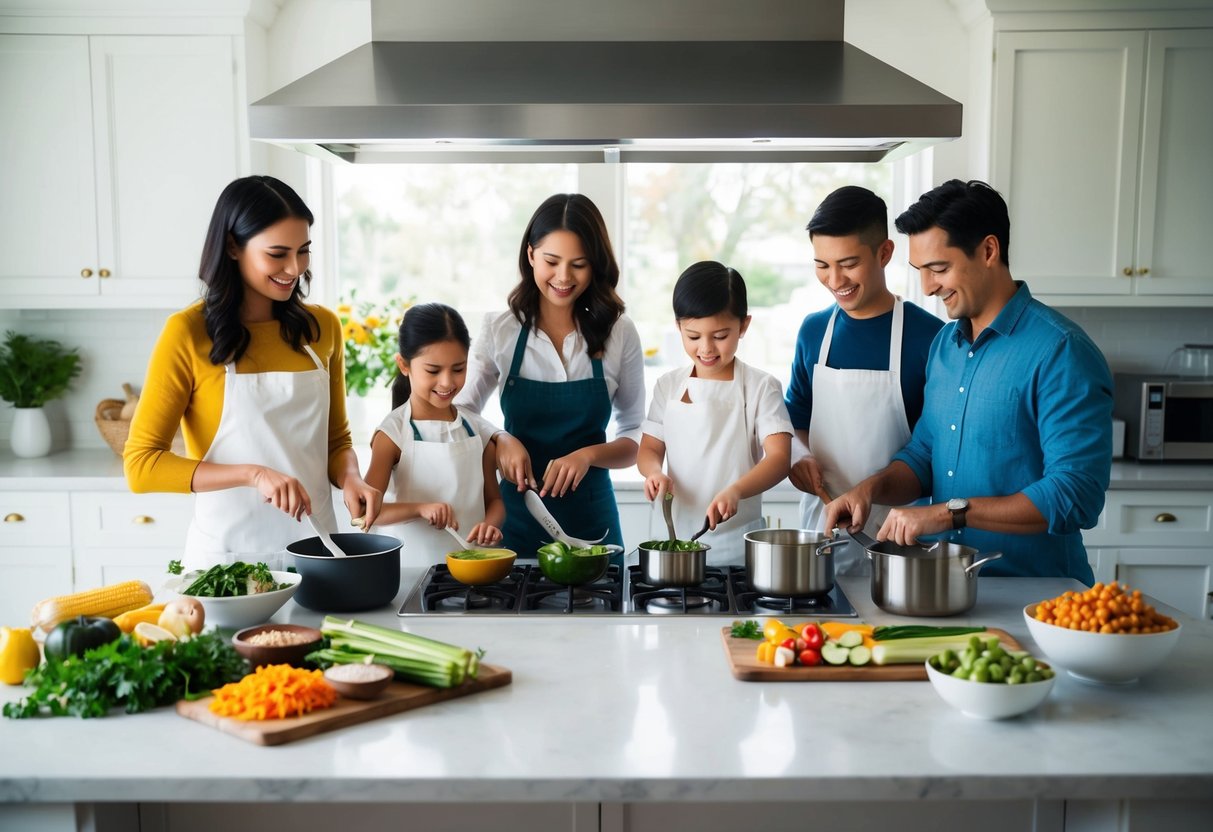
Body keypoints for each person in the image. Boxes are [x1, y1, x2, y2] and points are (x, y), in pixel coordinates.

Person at [824, 179, 1113, 583]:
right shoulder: (946, 345)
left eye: (939, 269)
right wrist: (869, 491)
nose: (927, 287)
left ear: (989, 251)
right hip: (951, 591)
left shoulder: (1061, 351)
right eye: (920, 271)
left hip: (1039, 597)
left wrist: (949, 512)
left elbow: (1076, 495)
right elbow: (924, 454)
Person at [124, 175, 381, 569]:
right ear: (232, 246)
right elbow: (142, 466)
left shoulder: (322, 327)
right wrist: (253, 474)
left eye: (303, 251)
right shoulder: (188, 333)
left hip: (318, 552)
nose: (294, 268)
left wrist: (351, 478)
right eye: (277, 254)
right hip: (227, 563)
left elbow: (336, 441)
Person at [457, 193, 645, 558]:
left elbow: (636, 435)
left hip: (592, 521)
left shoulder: (619, 332)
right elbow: (459, 411)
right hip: (514, 520)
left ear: (596, 266)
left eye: (579, 264)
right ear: (530, 256)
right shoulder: (500, 329)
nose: (563, 277)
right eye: (551, 261)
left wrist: (588, 456)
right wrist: (500, 440)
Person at [785, 186, 943, 574]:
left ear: (885, 253)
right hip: (820, 532)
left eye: (848, 262)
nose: (834, 278)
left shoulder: (931, 338)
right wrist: (799, 455)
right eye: (821, 264)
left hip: (898, 543)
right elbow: (793, 423)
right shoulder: (813, 332)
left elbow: (936, 450)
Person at [636, 261, 793, 565]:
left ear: (743, 326)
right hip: (669, 545)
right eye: (693, 336)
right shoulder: (668, 385)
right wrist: (654, 471)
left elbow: (779, 458)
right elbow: (650, 448)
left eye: (720, 336)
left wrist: (736, 490)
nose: (706, 348)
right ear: (678, 327)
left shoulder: (761, 387)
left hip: (736, 548)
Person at [361, 303, 505, 567]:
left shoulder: (477, 430)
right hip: (411, 571)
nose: (447, 382)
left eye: (458, 369)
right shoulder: (392, 433)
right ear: (404, 365)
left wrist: (489, 525)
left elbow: (494, 500)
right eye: (433, 371)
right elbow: (367, 512)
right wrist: (420, 508)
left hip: (473, 569)